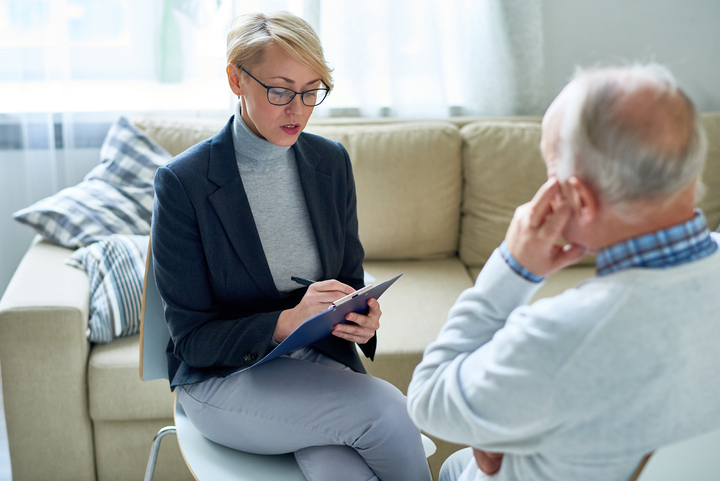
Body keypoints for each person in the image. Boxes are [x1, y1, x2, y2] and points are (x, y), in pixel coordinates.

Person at [151, 11, 431, 481]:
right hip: (223, 379)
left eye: (311, 91)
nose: (297, 109)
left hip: (315, 368)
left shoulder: (330, 163)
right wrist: (285, 322)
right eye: (280, 90)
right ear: (235, 79)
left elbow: (348, 281)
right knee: (387, 410)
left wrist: (361, 319)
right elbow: (192, 339)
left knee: (343, 472)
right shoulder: (184, 183)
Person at [407, 63, 720, 481]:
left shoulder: (561, 335)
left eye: (551, 174)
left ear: (579, 199)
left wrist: (513, 268)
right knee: (456, 463)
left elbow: (428, 399)